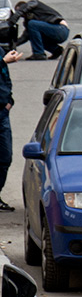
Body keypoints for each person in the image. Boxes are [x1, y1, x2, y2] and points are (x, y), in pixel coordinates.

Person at [0, 47, 22, 211]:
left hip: (2, 113)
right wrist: (2, 62)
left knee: (5, 157)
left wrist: (9, 101)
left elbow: (5, 77)